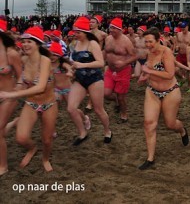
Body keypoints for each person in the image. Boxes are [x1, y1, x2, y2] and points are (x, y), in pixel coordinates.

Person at [0, 26, 59, 172]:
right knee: (20, 138)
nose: (25, 45)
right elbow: (21, 77)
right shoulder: (24, 59)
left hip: (49, 104)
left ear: (38, 43)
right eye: (24, 42)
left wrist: (11, 95)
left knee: (47, 140)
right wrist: (18, 86)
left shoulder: (45, 60)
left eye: (29, 42)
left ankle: (45, 159)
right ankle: (32, 149)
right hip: (31, 103)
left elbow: (40, 87)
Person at [137, 27, 189, 170]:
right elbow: (150, 69)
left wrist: (148, 71)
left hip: (170, 91)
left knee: (170, 124)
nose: (148, 45)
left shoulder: (166, 52)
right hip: (152, 90)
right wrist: (144, 76)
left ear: (158, 39)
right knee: (149, 123)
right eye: (146, 42)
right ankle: (150, 158)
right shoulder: (150, 53)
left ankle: (182, 130)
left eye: (150, 41)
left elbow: (169, 74)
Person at [68, 17, 112, 145]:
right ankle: (82, 132)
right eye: (74, 32)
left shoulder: (92, 44)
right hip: (80, 79)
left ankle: (107, 131)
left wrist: (81, 65)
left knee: (99, 110)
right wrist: (71, 70)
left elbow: (100, 63)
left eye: (78, 32)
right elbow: (73, 62)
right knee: (71, 108)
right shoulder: (76, 44)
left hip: (94, 79)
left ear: (85, 32)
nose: (75, 34)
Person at [103, 18, 137, 123]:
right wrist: (101, 61)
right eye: (110, 27)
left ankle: (124, 115)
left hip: (123, 71)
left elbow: (134, 56)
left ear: (120, 29)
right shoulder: (108, 39)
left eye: (114, 28)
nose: (111, 30)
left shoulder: (126, 41)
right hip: (110, 70)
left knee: (121, 96)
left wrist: (124, 63)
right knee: (106, 93)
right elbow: (106, 52)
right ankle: (116, 101)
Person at [0, 19, 22, 176]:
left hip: (8, 97)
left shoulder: (11, 53)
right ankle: (14, 123)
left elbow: (21, 77)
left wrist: (16, 92)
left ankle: (3, 166)